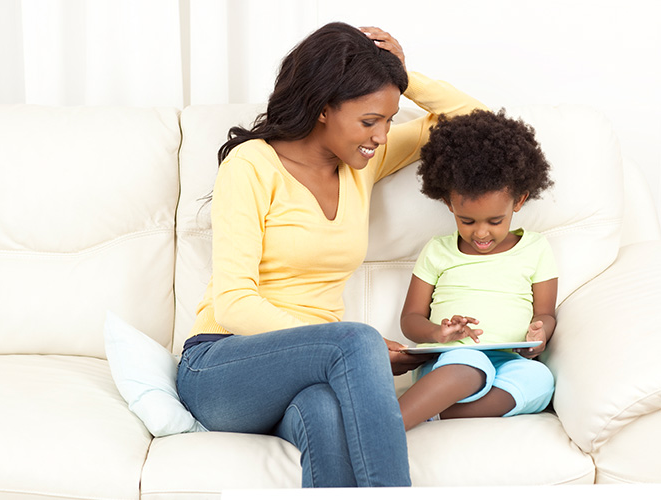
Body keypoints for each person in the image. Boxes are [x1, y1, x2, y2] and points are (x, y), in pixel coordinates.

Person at [176, 21, 486, 487]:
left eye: (389, 120)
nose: (382, 136)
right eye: (369, 121)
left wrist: (404, 76)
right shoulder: (252, 166)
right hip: (221, 367)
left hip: (310, 377)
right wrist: (347, 345)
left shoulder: (361, 166)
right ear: (323, 108)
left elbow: (474, 119)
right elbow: (234, 304)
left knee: (325, 412)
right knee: (358, 339)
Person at [398, 109, 558, 431]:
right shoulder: (438, 251)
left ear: (519, 201)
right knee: (469, 363)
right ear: (449, 204)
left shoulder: (536, 248)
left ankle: (433, 413)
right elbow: (410, 319)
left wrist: (540, 334)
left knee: (540, 380)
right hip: (451, 360)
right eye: (467, 221)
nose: (481, 233)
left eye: (495, 221)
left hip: (510, 359)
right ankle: (389, 421)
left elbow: (545, 313)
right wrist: (437, 333)